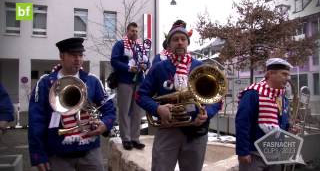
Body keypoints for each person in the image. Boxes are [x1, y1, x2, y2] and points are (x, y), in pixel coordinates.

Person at [136, 20, 222, 171]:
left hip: (196, 131)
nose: (180, 43)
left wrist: (206, 114)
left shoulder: (200, 67)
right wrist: (157, 109)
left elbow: (217, 99)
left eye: (183, 39)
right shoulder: (158, 68)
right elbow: (140, 96)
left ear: (187, 43)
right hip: (168, 130)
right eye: (175, 39)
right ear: (169, 45)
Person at [28, 37, 116, 171]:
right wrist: (38, 154)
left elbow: (109, 109)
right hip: (58, 156)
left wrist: (104, 124)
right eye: (73, 55)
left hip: (90, 153)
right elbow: (36, 121)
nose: (78, 59)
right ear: (61, 56)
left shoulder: (92, 81)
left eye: (80, 55)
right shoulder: (45, 83)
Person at [236, 58, 292, 171]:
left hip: (274, 154)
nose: (288, 78)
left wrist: (289, 128)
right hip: (254, 155)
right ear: (271, 73)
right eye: (284, 74)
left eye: (288, 75)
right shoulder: (252, 93)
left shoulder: (283, 97)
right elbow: (242, 123)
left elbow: (281, 122)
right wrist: (243, 152)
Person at [111, 22, 149, 150]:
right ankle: (126, 139)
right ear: (127, 31)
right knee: (124, 111)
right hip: (125, 81)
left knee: (137, 112)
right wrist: (128, 68)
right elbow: (114, 61)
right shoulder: (120, 44)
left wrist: (146, 65)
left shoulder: (140, 46)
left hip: (138, 81)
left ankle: (135, 138)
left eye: (136, 31)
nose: (135, 33)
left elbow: (146, 61)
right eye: (132, 31)